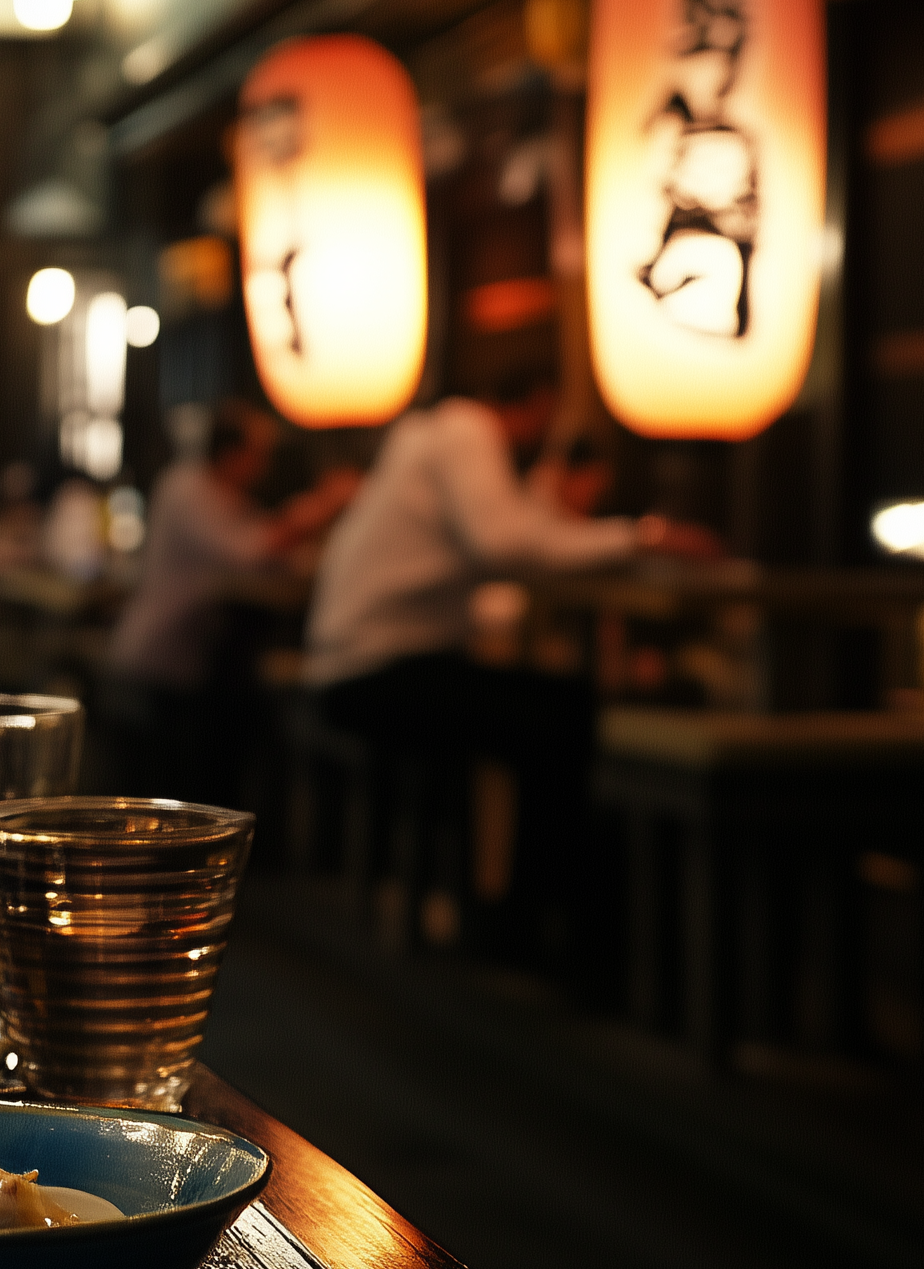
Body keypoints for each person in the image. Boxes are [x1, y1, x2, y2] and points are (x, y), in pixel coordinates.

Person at [304, 376, 715, 951]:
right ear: (536, 402)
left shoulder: (426, 433)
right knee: (562, 713)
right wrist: (641, 538)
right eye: (549, 421)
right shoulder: (466, 428)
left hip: (351, 665)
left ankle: (515, 913)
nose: (546, 438)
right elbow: (504, 544)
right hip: (377, 669)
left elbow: (510, 543)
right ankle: (541, 926)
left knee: (550, 707)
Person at [105, 403, 355, 802]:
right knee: (160, 794)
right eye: (260, 454)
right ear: (234, 452)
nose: (265, 466)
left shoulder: (219, 494)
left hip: (188, 664)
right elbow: (252, 550)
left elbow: (273, 557)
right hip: (157, 661)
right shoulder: (186, 486)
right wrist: (324, 504)